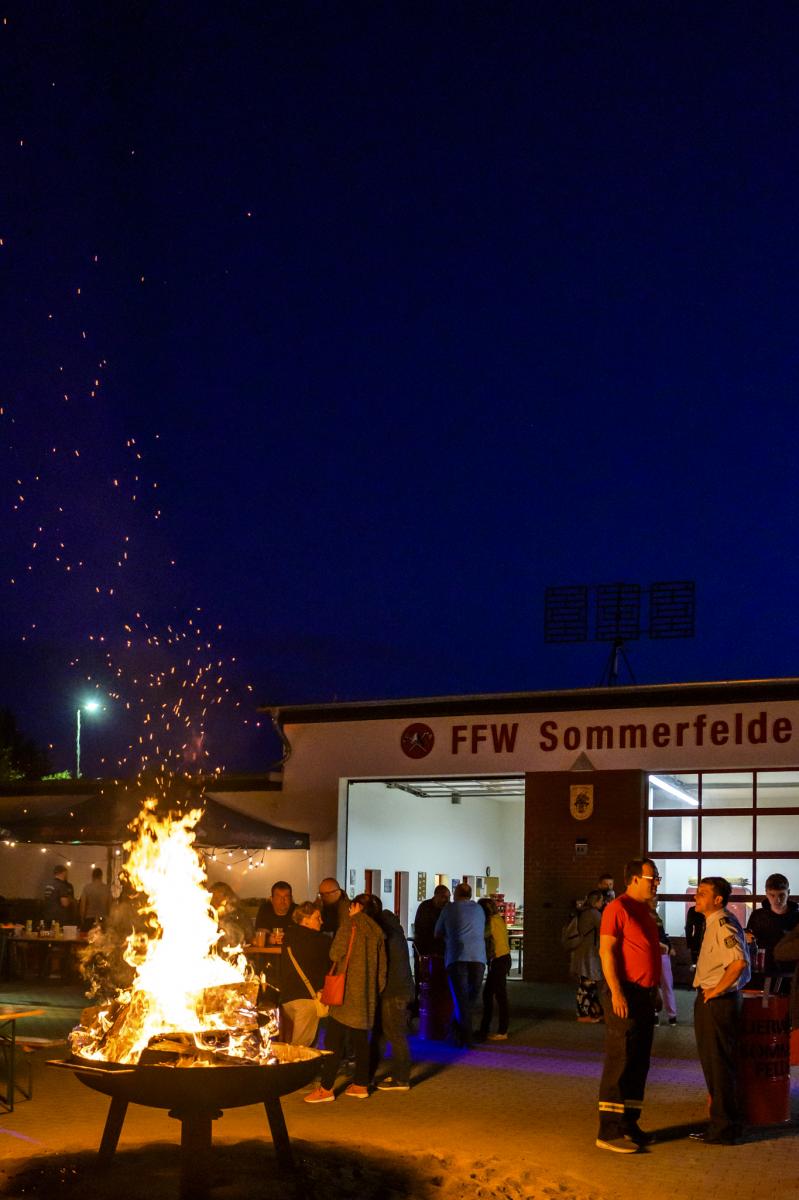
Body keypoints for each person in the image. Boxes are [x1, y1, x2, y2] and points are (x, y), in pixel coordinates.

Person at [595, 857, 662, 1153]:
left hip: (645, 994)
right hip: (626, 993)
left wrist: (655, 989)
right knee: (620, 1060)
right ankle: (609, 1131)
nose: (656, 883)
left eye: (657, 878)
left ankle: (630, 1123)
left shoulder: (644, 911)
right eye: (652, 878)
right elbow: (606, 952)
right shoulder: (617, 908)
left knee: (638, 1062)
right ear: (634, 879)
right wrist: (616, 993)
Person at [305, 893, 386, 1103]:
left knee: (333, 1040)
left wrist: (349, 922)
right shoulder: (377, 932)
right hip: (365, 996)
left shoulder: (350, 926)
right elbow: (382, 972)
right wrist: (372, 992)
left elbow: (335, 953)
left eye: (351, 907)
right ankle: (361, 1085)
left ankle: (326, 1088)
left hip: (345, 994)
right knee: (361, 1042)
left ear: (357, 907)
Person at [689, 875, 750, 1145]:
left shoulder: (723, 923)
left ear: (718, 899)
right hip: (716, 1000)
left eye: (702, 893)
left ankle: (724, 1127)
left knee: (718, 1065)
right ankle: (724, 1123)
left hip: (717, 1003)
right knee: (716, 1064)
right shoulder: (713, 922)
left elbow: (738, 963)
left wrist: (715, 991)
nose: (696, 897)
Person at [434, 882, 486, 1048]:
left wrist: (448, 937)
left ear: (456, 894)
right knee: (470, 999)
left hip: (457, 957)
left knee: (461, 998)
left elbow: (437, 932)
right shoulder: (479, 909)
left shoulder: (449, 909)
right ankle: (458, 1030)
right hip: (478, 958)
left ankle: (464, 1037)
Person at [372, 897, 415, 1090]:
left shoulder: (384, 933)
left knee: (395, 1034)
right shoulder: (393, 928)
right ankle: (378, 1072)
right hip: (400, 988)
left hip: (394, 990)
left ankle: (402, 1078)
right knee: (387, 1033)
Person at [280, 901, 331, 1046]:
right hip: (307, 1000)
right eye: (317, 918)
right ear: (305, 920)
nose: (322, 921)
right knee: (301, 1048)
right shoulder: (322, 941)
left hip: (287, 999)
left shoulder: (287, 937)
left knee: (294, 1043)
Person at [745, 873, 799, 974]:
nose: (777, 900)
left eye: (781, 895)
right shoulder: (757, 916)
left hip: (791, 973)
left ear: (788, 893)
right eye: (772, 895)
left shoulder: (797, 918)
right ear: (766, 893)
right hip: (762, 971)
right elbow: (749, 943)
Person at [477, 897, 511, 1040]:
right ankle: (485, 1029)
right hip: (503, 959)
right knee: (489, 994)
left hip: (499, 960)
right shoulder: (498, 919)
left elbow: (481, 935)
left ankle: (502, 1031)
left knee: (499, 995)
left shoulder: (491, 922)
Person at [572, 889, 604, 1022]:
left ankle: (593, 1011)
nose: (602, 903)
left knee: (588, 984)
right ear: (596, 901)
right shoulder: (594, 914)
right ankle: (583, 1014)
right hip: (589, 955)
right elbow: (604, 929)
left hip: (582, 953)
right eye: (601, 901)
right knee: (587, 985)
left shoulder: (583, 913)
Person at [649, 899, 677, 1026]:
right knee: (654, 985)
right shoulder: (645, 915)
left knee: (666, 984)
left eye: (656, 901)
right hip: (652, 954)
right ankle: (656, 1013)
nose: (655, 903)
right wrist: (663, 945)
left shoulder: (656, 916)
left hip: (663, 954)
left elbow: (662, 935)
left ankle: (672, 1014)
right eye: (653, 901)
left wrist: (669, 946)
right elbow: (646, 937)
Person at [210, 881, 254, 949]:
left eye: (217, 897)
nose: (213, 900)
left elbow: (249, 936)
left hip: (235, 950)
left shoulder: (238, 914)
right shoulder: (207, 913)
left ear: (227, 898)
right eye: (213, 897)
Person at [413, 885, 450, 956]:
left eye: (449, 897)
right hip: (425, 948)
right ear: (436, 896)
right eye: (444, 897)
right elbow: (423, 930)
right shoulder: (425, 907)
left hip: (440, 948)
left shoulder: (445, 909)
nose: (447, 900)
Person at [79, 867, 111, 933]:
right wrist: (109, 919)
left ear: (92, 876)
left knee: (87, 938)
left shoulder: (87, 888)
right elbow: (110, 905)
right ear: (101, 876)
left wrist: (82, 918)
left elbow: (83, 905)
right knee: (103, 938)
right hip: (103, 919)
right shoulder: (107, 888)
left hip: (89, 919)